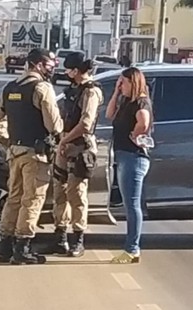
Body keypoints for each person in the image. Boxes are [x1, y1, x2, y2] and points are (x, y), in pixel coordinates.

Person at [0, 48, 63, 265]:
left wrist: (8, 143)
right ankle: (22, 247)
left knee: (13, 198)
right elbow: (54, 124)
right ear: (39, 65)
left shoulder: (10, 88)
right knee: (32, 199)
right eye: (49, 65)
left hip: (15, 152)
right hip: (36, 154)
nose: (51, 69)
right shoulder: (42, 88)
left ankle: (5, 247)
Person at [47, 52, 103, 258]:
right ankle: (60, 237)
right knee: (59, 191)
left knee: (76, 193)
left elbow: (86, 124)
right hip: (64, 145)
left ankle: (78, 239)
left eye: (68, 69)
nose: (65, 72)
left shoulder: (90, 92)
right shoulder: (72, 90)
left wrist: (64, 140)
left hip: (80, 147)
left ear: (76, 70)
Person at [105, 67, 153, 264]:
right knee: (130, 205)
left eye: (123, 82)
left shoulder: (141, 101)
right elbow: (109, 114)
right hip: (124, 156)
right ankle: (132, 248)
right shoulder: (127, 101)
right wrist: (116, 92)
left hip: (134, 157)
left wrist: (135, 134)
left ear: (133, 82)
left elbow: (144, 120)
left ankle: (132, 249)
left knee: (132, 206)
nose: (120, 85)